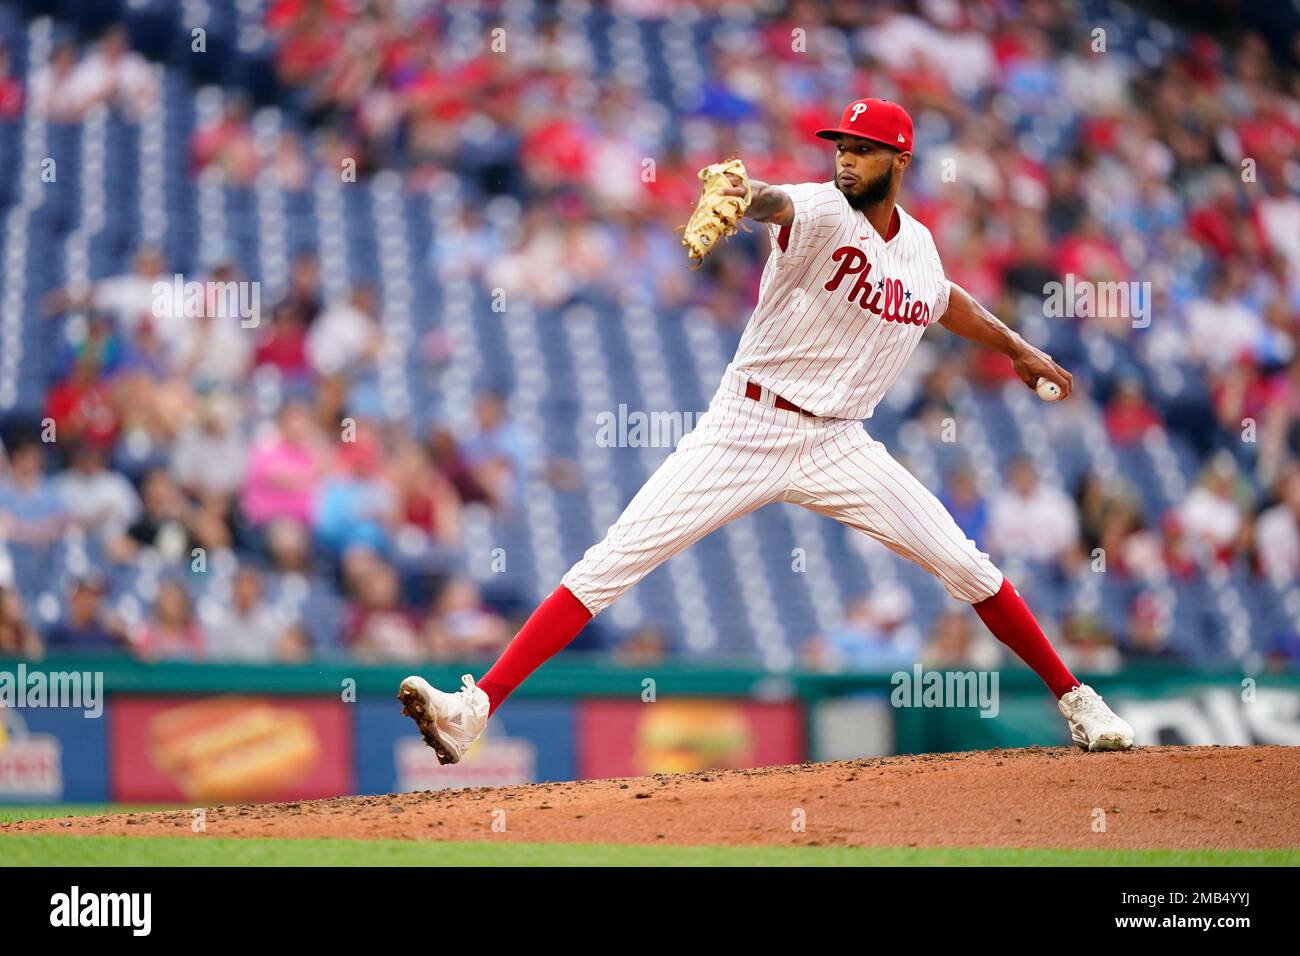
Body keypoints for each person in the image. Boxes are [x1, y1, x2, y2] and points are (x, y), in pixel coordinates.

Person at [398, 98, 1135, 763]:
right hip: (747, 424)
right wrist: (744, 194)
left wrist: (1016, 346)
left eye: (862, 148)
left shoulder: (919, 247)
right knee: (612, 561)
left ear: (900, 161)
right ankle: (476, 708)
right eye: (839, 145)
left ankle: (1076, 701)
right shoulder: (819, 209)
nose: (844, 157)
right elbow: (774, 202)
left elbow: (943, 299)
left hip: (842, 443)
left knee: (967, 565)